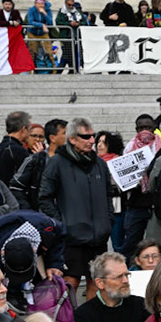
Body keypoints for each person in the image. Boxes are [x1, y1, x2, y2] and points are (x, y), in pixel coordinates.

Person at [38, 118, 112, 285]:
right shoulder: (57, 163)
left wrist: (108, 221)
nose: (92, 141)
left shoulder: (99, 163)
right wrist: (62, 224)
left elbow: (108, 194)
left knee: (97, 281)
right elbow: (45, 197)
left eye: (93, 136)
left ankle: (91, 313)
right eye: (86, 137)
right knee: (71, 281)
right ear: (72, 139)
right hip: (72, 238)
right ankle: (70, 313)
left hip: (99, 237)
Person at [74, 250, 148, 322]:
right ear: (100, 283)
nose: (125, 281)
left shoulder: (141, 305)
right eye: (119, 277)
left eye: (126, 275)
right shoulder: (84, 314)